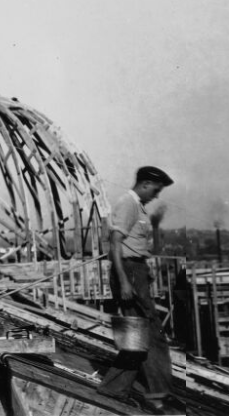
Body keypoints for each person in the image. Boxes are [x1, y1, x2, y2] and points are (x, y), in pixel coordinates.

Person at [97, 166, 178, 413]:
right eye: (155, 190)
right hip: (129, 272)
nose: (156, 195)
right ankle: (158, 397)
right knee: (153, 336)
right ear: (144, 184)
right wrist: (124, 280)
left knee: (135, 335)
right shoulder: (129, 204)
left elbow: (133, 244)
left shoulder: (137, 207)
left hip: (135, 270)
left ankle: (113, 387)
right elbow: (115, 244)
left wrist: (144, 268)